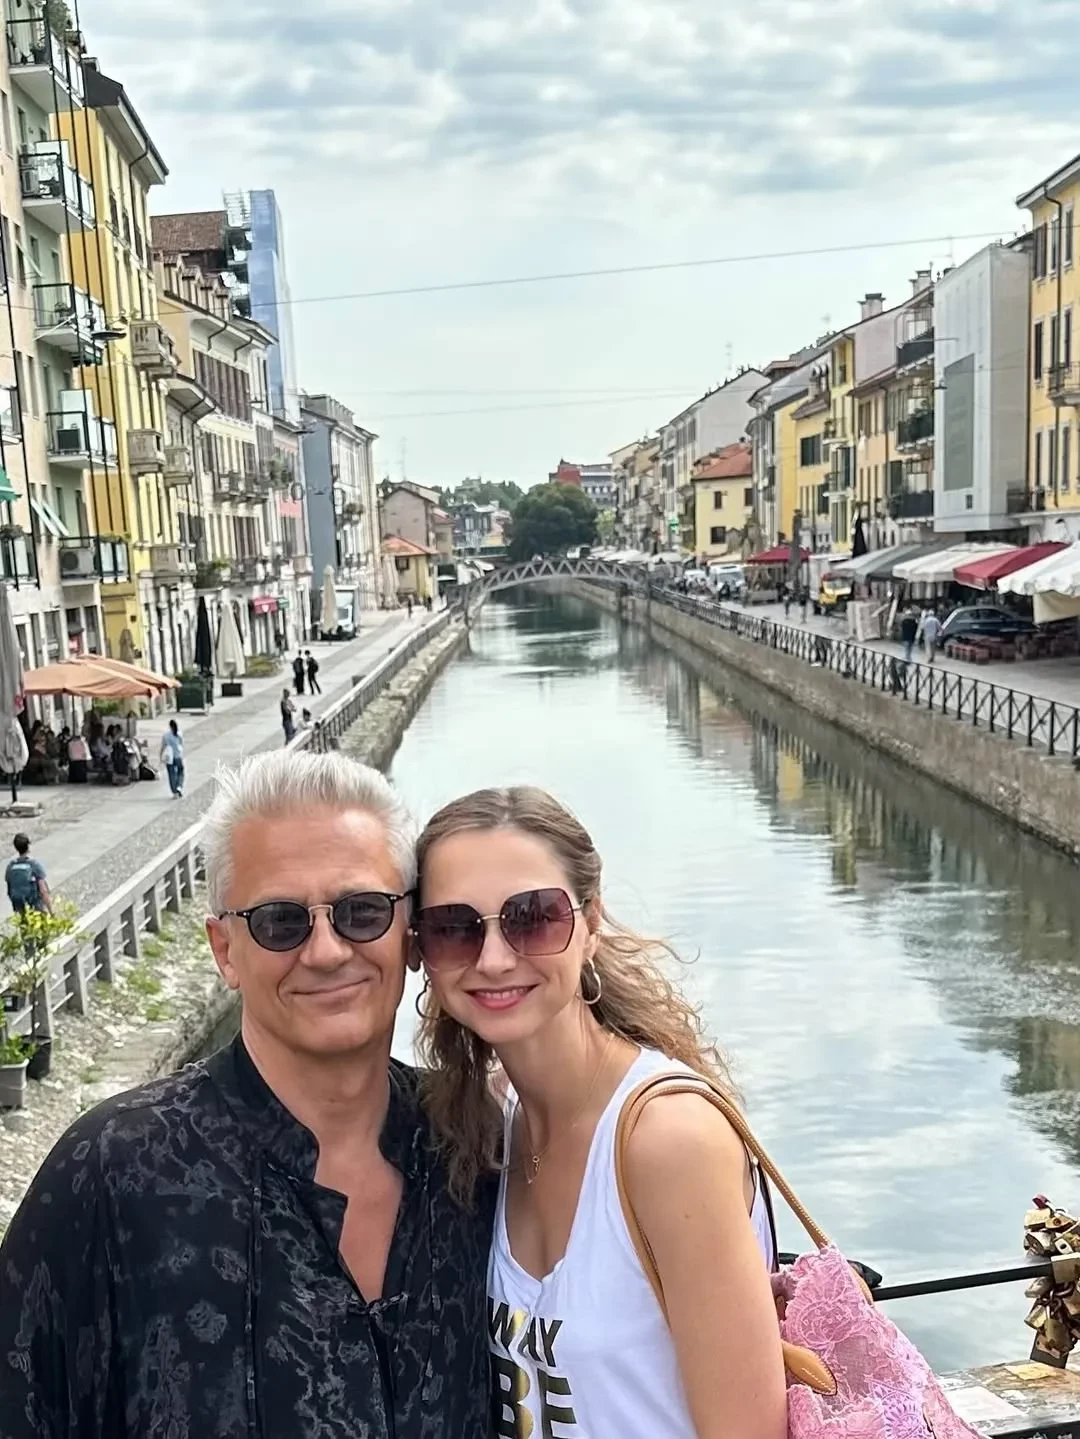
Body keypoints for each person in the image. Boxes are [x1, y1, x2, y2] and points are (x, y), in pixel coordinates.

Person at [0, 751, 492, 1437]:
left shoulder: (473, 1148)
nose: (326, 950)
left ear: (409, 933)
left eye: (361, 911)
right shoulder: (112, 1174)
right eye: (280, 921)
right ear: (224, 948)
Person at [412, 786, 787, 1439]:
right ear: (421, 951)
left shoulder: (668, 1140)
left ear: (589, 924)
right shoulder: (496, 1123)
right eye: (454, 927)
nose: (494, 958)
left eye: (532, 917)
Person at [5, 832, 51, 916]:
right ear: (28, 846)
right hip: (36, 908)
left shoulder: (11, 866)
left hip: (20, 908)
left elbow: (9, 890)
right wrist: (51, 911)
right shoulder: (34, 864)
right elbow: (43, 891)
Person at [160, 718, 185, 798]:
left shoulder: (166, 735)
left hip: (169, 757)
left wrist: (161, 756)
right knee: (180, 772)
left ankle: (174, 791)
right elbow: (181, 745)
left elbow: (163, 747)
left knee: (171, 774)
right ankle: (179, 786)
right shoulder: (179, 734)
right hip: (178, 756)